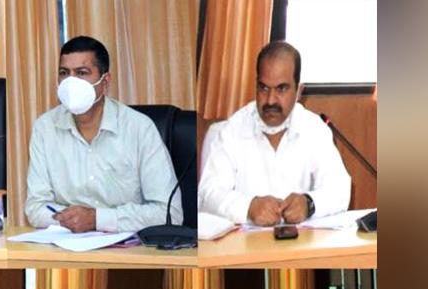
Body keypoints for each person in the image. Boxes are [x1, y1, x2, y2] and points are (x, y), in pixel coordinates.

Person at [24, 36, 181, 232]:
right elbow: (35, 207)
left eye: (82, 73)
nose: (71, 82)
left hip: (130, 247)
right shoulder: (45, 128)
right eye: (64, 73)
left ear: (105, 81)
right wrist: (74, 220)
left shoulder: (139, 128)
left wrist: (97, 219)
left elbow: (169, 213)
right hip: (67, 245)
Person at [199, 41, 350, 225]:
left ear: (299, 91)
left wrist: (309, 203)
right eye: (263, 88)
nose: (270, 100)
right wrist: (248, 207)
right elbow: (208, 194)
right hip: (244, 242)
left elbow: (340, 189)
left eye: (281, 89)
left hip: (300, 242)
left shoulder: (314, 129)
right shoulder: (230, 131)